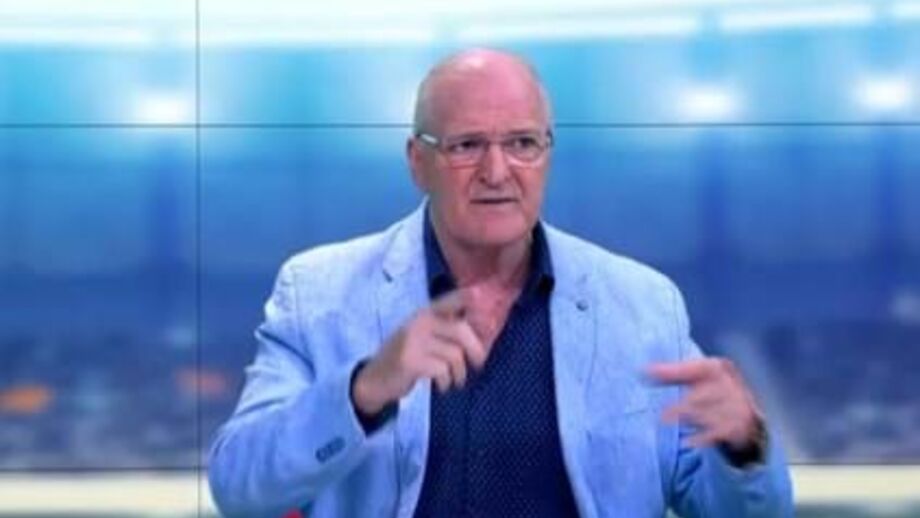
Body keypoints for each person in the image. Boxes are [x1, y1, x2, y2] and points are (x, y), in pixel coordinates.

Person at [208, 48, 793, 517]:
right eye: (467, 146)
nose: (497, 171)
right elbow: (239, 489)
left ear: (547, 154)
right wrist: (365, 390)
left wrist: (745, 447)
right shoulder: (318, 294)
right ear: (417, 161)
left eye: (521, 144)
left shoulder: (643, 305)